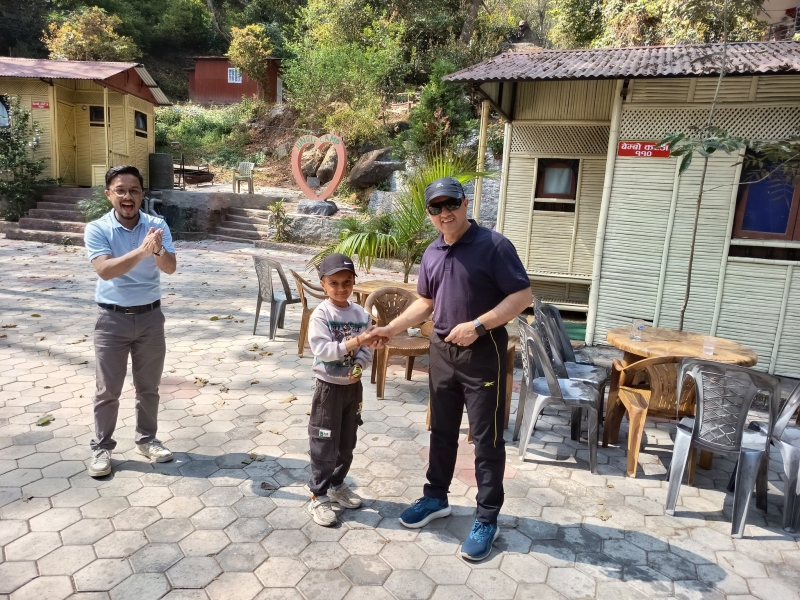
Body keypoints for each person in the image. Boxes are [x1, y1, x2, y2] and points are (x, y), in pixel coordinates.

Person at [365, 177, 532, 560]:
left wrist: (478, 325)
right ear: (429, 213)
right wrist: (391, 328)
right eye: (436, 208)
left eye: (451, 204)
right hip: (441, 352)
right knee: (441, 431)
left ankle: (486, 518)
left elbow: (522, 296)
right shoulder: (432, 252)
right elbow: (426, 302)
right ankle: (435, 497)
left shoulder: (494, 246)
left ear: (465, 203)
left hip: (483, 353)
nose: (445, 213)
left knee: (486, 439)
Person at [83, 165, 177, 477]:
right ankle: (101, 447)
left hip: (150, 318)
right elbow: (105, 270)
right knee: (107, 389)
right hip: (112, 320)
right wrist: (142, 251)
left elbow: (170, 268)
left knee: (148, 387)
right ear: (109, 194)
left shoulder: (156, 225)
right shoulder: (98, 228)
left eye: (134, 190)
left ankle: (147, 439)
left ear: (142, 195)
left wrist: (158, 249)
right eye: (121, 190)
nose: (128, 196)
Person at [305, 253, 373, 526]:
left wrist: (359, 364)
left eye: (347, 282)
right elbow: (323, 350)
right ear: (323, 284)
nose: (341, 288)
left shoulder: (362, 315)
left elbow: (367, 349)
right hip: (328, 390)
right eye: (334, 283)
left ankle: (337, 485)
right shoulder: (322, 314)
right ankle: (318, 494)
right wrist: (357, 341)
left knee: (347, 441)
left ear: (354, 282)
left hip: (352, 391)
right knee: (324, 441)